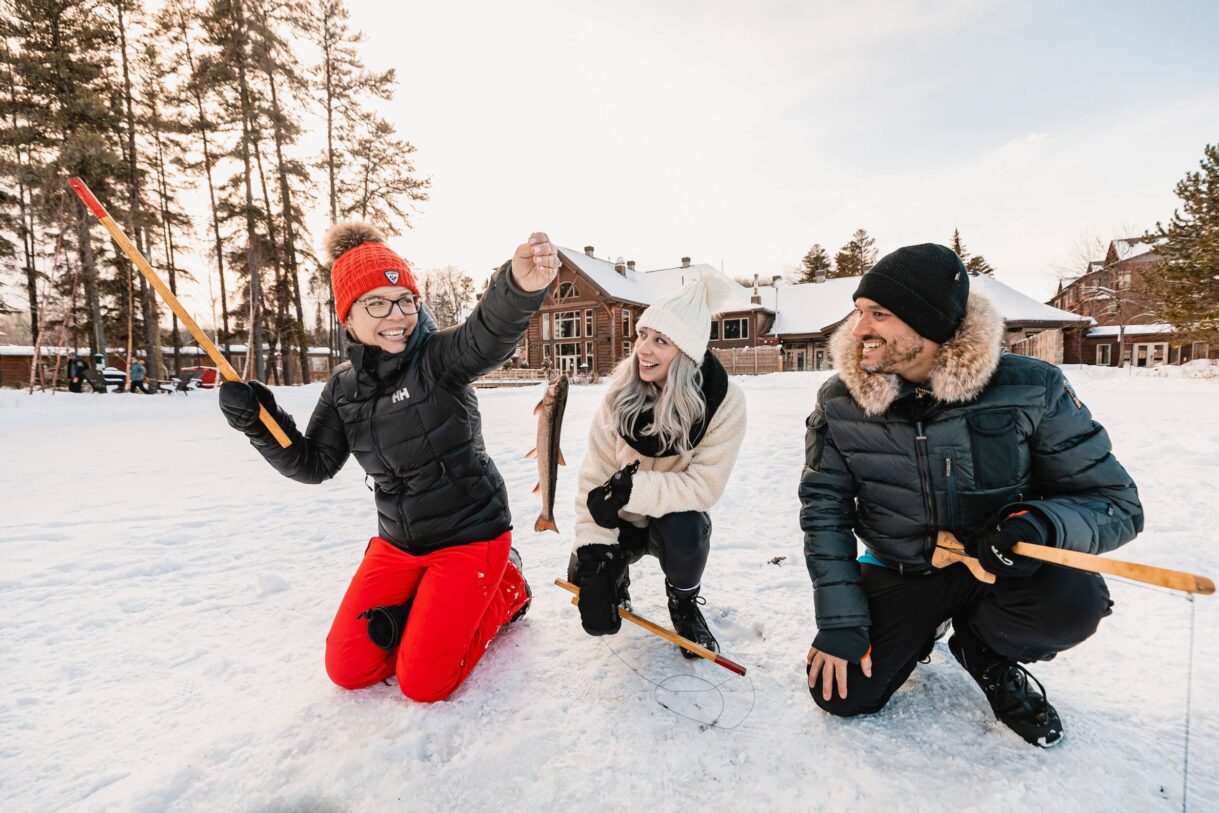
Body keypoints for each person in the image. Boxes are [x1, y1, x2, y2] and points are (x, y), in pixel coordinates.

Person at [800, 243, 1142, 747]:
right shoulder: (841, 401)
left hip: (1003, 567)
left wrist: (1039, 525)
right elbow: (824, 510)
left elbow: (1116, 503)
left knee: (1073, 603)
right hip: (903, 566)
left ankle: (985, 650)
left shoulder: (1032, 388)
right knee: (843, 693)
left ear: (932, 323)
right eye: (859, 312)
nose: (859, 329)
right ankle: (923, 626)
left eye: (879, 314)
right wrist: (841, 620)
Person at [218, 222, 557, 702]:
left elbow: (487, 335)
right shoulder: (343, 387)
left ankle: (508, 586)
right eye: (376, 303)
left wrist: (517, 286)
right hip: (398, 542)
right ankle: (429, 606)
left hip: (470, 535)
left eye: (405, 301)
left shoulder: (439, 359)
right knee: (350, 668)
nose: (396, 316)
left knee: (424, 683)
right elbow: (312, 464)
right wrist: (256, 420)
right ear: (348, 316)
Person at [569, 272, 747, 656]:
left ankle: (683, 602)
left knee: (686, 529)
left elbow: (704, 486)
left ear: (686, 352)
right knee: (585, 574)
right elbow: (593, 477)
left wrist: (633, 489)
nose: (643, 350)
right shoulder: (618, 395)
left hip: (672, 522)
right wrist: (595, 553)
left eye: (660, 341)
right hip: (622, 521)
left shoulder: (724, 402)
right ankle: (618, 576)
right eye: (642, 335)